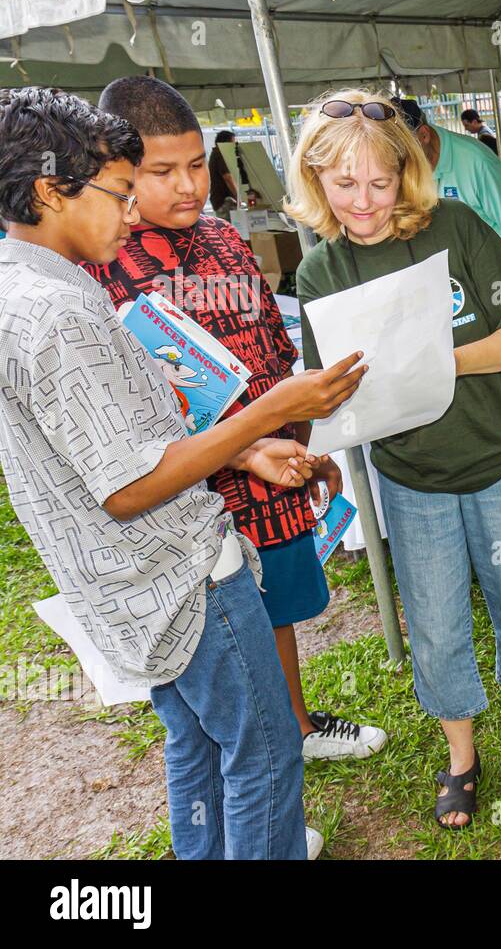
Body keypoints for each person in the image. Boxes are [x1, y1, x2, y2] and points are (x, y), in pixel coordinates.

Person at [0, 86, 367, 858]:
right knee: (264, 751)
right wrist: (269, 415)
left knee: (198, 743)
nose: (131, 212)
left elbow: (116, 436)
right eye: (118, 192)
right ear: (48, 191)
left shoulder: (21, 289)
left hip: (131, 585)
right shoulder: (62, 309)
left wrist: (246, 445)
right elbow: (129, 484)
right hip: (179, 577)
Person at [83, 76, 389, 769]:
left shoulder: (224, 238)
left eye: (197, 165)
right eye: (162, 172)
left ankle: (297, 726)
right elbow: (138, 408)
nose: (188, 186)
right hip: (191, 491)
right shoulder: (105, 261)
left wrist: (310, 443)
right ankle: (253, 763)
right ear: (120, 170)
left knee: (274, 610)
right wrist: (250, 442)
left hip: (275, 469)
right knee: (220, 634)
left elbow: (272, 348)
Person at [286, 89, 501, 829]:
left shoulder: (458, 227)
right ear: (314, 182)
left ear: (406, 171)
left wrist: (429, 359)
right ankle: (461, 757)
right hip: (413, 479)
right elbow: (337, 399)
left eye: (380, 182)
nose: (364, 201)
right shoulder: (319, 274)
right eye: (344, 185)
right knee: (437, 624)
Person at [397, 99, 501, 264]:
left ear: (424, 135)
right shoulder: (397, 170)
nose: (397, 160)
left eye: (401, 149)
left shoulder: (477, 161)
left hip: (488, 271)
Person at [208, 128, 239, 213]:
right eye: (232, 142)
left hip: (218, 201)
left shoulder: (215, 154)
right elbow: (227, 177)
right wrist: (238, 196)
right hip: (224, 201)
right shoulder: (220, 154)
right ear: (226, 143)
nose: (234, 146)